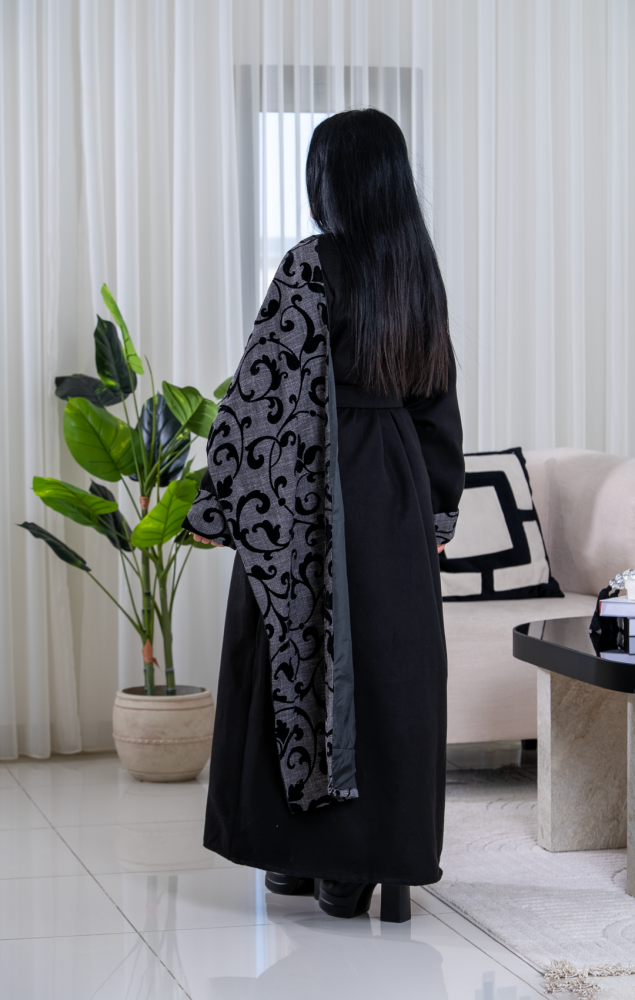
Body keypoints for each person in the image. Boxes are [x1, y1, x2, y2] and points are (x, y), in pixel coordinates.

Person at [183, 108, 464, 922]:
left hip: (308, 490)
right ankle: (371, 864)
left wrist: (216, 504)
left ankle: (300, 853)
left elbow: (260, 393)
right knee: (387, 673)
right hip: (395, 493)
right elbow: (436, 404)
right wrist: (435, 518)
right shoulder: (418, 271)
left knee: (291, 654)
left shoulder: (313, 262)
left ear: (329, 182)